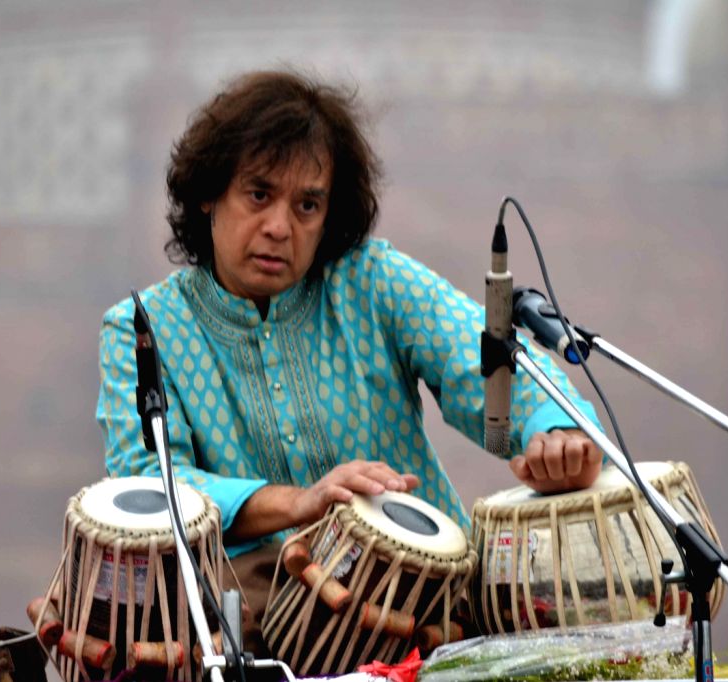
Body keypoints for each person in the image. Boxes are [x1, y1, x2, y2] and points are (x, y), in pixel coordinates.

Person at [95, 69, 603, 653]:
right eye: (258, 194)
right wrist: (299, 502)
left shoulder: (371, 281)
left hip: (431, 621)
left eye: (307, 205)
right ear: (210, 192)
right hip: (254, 641)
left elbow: (479, 358)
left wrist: (554, 431)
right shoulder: (143, 332)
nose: (280, 227)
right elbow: (151, 490)